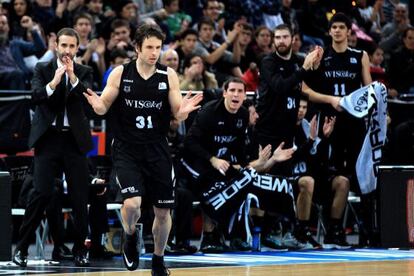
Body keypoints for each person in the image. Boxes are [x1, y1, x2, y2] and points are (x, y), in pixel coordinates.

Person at [83, 23, 203, 275]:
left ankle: (158, 260)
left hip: (157, 149)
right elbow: (104, 107)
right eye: (149, 47)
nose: (154, 52)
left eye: (158, 47)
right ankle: (129, 236)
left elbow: (176, 113)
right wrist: (96, 104)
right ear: (137, 48)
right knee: (133, 204)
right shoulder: (120, 73)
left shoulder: (167, 75)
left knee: (162, 210)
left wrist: (184, 111)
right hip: (127, 149)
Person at [180, 77, 297, 252]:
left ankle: (245, 234)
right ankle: (209, 237)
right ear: (225, 93)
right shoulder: (209, 112)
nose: (236, 94)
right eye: (232, 90)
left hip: (221, 164)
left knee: (246, 180)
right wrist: (212, 159)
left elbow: (239, 149)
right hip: (195, 163)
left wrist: (258, 163)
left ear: (244, 95)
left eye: (240, 91)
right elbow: (189, 142)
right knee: (213, 184)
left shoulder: (243, 115)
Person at [12, 27, 94, 267]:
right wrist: (55, 81)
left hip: (74, 140)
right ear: (56, 46)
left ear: (77, 48)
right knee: (41, 193)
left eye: (72, 46)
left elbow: (88, 101)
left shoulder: (85, 71)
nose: (67, 50)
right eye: (64, 45)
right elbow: (36, 97)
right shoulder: (42, 68)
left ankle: (80, 249)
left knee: (80, 196)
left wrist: (73, 78)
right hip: (48, 139)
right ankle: (21, 249)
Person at [302, 12, 372, 248]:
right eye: (335, 28)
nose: (338, 31)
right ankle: (323, 226)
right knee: (329, 174)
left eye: (342, 27)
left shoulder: (360, 56)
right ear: (330, 31)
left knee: (359, 177)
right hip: (328, 124)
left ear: (349, 32)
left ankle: (366, 230)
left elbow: (368, 91)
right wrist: (331, 99)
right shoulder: (320, 56)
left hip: (354, 124)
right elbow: (305, 90)